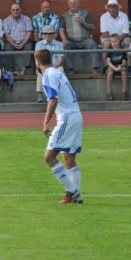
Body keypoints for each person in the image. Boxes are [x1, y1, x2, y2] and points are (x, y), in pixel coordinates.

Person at [35, 49, 83, 205]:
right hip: (76, 116)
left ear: (37, 61)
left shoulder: (48, 75)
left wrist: (46, 122)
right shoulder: (57, 72)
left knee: (49, 157)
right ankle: (77, 197)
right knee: (69, 157)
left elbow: (53, 99)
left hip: (67, 118)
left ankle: (73, 191)